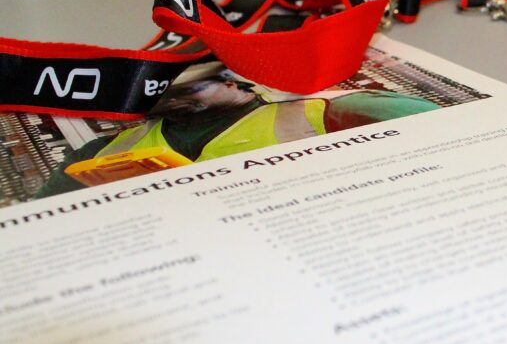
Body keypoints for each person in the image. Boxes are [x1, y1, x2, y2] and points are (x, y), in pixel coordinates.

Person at [35, 77, 440, 197]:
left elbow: (459, 132)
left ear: (235, 80)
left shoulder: (335, 111)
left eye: (193, 82)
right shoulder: (101, 152)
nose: (172, 92)